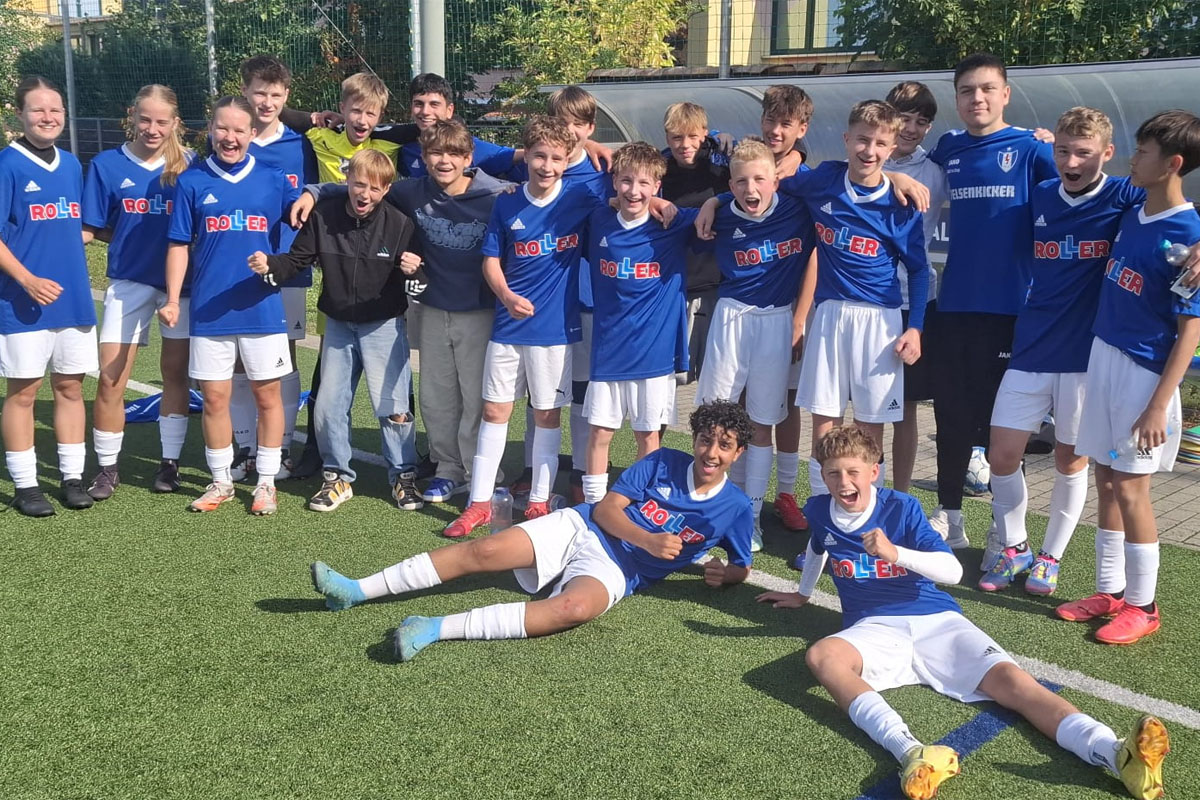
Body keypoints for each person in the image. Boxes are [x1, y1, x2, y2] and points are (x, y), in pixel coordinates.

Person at [756, 425, 1170, 800]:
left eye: (853, 472)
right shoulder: (818, 509)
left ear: (874, 472)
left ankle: (1114, 753)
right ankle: (912, 752)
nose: (843, 482)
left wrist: (894, 552)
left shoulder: (901, 507)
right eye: (833, 473)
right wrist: (803, 593)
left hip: (937, 620)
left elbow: (952, 572)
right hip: (873, 629)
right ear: (822, 475)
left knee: (1016, 685)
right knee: (822, 656)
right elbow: (818, 547)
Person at [309, 400, 754, 662]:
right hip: (582, 525)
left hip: (621, 571)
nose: (711, 452)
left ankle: (432, 628)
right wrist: (650, 540)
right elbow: (606, 511)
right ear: (694, 439)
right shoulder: (663, 461)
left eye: (724, 445)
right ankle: (355, 589)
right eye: (705, 440)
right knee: (483, 552)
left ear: (738, 454)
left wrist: (726, 574)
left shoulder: (734, 508)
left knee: (573, 609)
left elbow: (742, 566)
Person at [292, 119, 513, 505]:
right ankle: (446, 469)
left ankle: (480, 471)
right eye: (435, 153)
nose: (444, 161)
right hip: (431, 308)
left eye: (453, 154)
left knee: (475, 397)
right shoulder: (412, 191)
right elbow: (363, 186)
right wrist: (313, 192)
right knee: (436, 396)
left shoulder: (497, 194)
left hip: (478, 310)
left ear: (469, 159)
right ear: (424, 158)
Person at [980, 107, 1145, 594]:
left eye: (1083, 153)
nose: (1071, 162)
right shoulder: (1042, 194)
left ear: (1107, 153)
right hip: (1031, 346)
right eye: (1063, 151)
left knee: (1070, 460)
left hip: (1084, 356)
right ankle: (1015, 547)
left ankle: (1050, 557)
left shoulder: (1124, 194)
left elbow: (1176, 209)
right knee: (1001, 455)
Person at [1061, 110, 1200, 645]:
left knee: (1131, 487)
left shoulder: (1188, 234)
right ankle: (1110, 591)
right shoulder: (1133, 207)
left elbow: (1190, 332)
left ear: (1173, 164)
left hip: (1145, 376)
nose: (1133, 159)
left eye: (1143, 152)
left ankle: (1144, 605)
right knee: (1105, 478)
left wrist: (1158, 405)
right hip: (1104, 357)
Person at [441, 116, 602, 538]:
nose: (547, 166)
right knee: (495, 411)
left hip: (555, 331)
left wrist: (658, 203)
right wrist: (506, 296)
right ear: (526, 156)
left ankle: (538, 502)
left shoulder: (582, 197)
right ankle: (478, 504)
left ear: (567, 160)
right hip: (508, 327)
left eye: (556, 158)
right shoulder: (507, 201)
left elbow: (629, 193)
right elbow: (491, 261)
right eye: (539, 156)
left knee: (547, 414)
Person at [925, 53, 1057, 548]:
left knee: (1005, 427)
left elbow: (1088, 190)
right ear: (957, 98)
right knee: (951, 417)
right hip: (955, 306)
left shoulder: (1032, 148)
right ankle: (950, 518)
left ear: (1005, 94)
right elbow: (901, 161)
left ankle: (1007, 532)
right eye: (966, 91)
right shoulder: (949, 147)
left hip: (1011, 310)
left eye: (986, 89)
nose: (976, 98)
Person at [249, 149, 421, 511]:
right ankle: (337, 477)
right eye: (359, 184)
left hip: (384, 325)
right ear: (346, 181)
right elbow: (296, 260)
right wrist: (270, 265)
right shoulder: (324, 216)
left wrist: (415, 273)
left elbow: (419, 281)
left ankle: (403, 476)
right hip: (339, 325)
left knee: (394, 407)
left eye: (374, 188)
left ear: (386, 190)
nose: (365, 194)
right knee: (327, 407)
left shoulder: (400, 223)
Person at [780, 100, 930, 496]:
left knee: (869, 426)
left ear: (892, 148)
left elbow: (919, 270)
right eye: (863, 140)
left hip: (880, 321)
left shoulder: (901, 206)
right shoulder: (824, 181)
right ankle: (820, 507)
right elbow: (770, 178)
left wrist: (915, 328)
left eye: (881, 144)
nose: (870, 150)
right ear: (847, 140)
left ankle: (865, 509)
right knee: (824, 419)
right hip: (830, 315)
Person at [161, 95, 301, 515]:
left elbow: (299, 231)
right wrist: (173, 299)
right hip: (210, 309)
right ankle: (221, 481)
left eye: (239, 130)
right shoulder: (192, 181)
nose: (230, 137)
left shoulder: (274, 179)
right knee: (214, 398)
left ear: (252, 134)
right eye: (222, 128)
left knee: (267, 396)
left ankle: (266, 482)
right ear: (210, 130)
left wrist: (276, 264)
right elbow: (178, 244)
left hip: (262, 307)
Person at [692, 139, 817, 551]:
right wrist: (712, 202)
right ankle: (708, 510)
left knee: (762, 424)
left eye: (760, 179)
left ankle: (751, 515)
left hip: (776, 321)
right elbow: (668, 214)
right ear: (730, 185)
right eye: (742, 182)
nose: (751, 189)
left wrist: (800, 318)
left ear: (775, 181)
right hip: (731, 318)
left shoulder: (798, 209)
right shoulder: (721, 213)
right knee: (714, 418)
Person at [81, 84, 193, 499]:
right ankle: (107, 469)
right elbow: (91, 227)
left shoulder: (190, 165)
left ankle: (169, 464)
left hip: (181, 288)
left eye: (162, 121)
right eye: (144, 119)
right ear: (132, 116)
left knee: (175, 374)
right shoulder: (106, 165)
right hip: (128, 283)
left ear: (175, 123)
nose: (152, 128)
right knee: (111, 379)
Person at [0, 76, 98, 516]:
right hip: (22, 300)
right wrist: (27, 279)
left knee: (70, 387)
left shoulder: (72, 164)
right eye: (38, 109)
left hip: (73, 298)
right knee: (23, 391)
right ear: (19, 114)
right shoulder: (7, 164)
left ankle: (72, 478)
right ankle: (26, 486)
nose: (48, 117)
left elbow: (76, 227)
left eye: (55, 109)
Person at [582, 141, 696, 502]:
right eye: (627, 181)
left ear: (657, 186)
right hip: (608, 351)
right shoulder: (598, 220)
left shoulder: (673, 223)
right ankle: (593, 507)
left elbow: (726, 207)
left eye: (645, 183)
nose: (634, 191)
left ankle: (644, 502)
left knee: (648, 435)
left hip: (654, 356)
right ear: (615, 182)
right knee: (600, 433)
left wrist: (709, 202)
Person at [225, 55, 321, 483]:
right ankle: (245, 447)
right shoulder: (230, 138)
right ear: (245, 92)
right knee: (239, 360)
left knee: (284, 356)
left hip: (287, 266)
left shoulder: (301, 144)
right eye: (259, 93)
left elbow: (317, 193)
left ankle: (280, 447)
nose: (267, 102)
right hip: (234, 267)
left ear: (287, 97)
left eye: (276, 95)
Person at [882, 81, 946, 494]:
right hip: (869, 302)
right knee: (868, 407)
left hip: (916, 304)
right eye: (904, 118)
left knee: (905, 409)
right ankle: (864, 493)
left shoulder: (936, 170)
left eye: (921, 122)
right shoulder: (864, 158)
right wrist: (890, 174)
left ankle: (901, 496)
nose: (910, 128)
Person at [659, 101, 728, 388]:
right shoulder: (659, 171)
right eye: (677, 137)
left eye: (692, 136)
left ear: (704, 133)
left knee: (719, 381)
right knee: (669, 381)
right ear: (667, 137)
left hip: (717, 286)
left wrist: (715, 202)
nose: (685, 145)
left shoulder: (722, 165)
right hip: (674, 287)